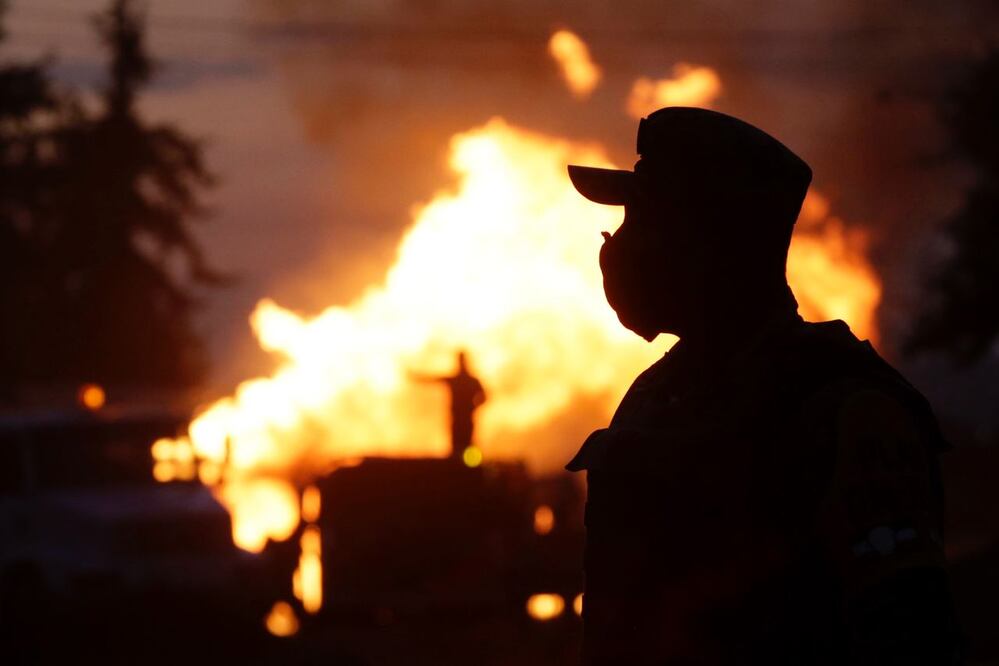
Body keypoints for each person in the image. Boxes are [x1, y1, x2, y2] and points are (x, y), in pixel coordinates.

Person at [565, 107, 962, 665]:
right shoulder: (658, 396)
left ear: (710, 241)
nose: (621, 246)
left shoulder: (845, 406)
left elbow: (907, 633)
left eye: (645, 222)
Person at [411, 351, 486, 459]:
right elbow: (433, 379)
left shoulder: (468, 381)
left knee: (466, 442)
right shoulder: (462, 380)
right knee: (458, 442)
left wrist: (474, 407)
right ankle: (460, 466)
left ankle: (468, 466)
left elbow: (484, 397)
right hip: (457, 417)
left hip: (465, 417)